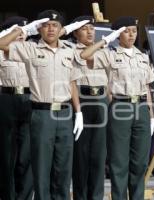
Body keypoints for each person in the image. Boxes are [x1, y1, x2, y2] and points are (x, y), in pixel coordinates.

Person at [0, 10, 84, 199]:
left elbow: (72, 82)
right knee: (41, 168)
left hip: (64, 113)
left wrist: (78, 112)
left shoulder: (69, 50)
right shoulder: (30, 49)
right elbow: (1, 44)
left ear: (61, 29)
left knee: (63, 167)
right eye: (46, 25)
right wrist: (22, 30)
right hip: (42, 113)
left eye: (55, 25)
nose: (51, 29)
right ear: (39, 29)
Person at [80, 16, 154, 200]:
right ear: (118, 33)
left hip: (141, 108)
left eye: (134, 31)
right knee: (119, 162)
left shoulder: (142, 56)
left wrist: (152, 114)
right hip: (120, 107)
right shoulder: (110, 53)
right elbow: (85, 56)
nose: (131, 34)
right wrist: (106, 39)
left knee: (140, 163)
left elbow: (147, 87)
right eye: (126, 31)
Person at [61, 15, 109, 200]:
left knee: (99, 155)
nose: (89, 32)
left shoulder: (104, 51)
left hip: (101, 100)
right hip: (80, 100)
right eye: (84, 28)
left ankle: (96, 196)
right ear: (75, 32)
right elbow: (58, 36)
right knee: (80, 155)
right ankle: (80, 196)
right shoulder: (68, 49)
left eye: (92, 28)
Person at [0, 16, 33, 200]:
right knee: (7, 154)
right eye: (17, 30)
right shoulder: (1, 50)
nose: (22, 34)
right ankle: (8, 195)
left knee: (27, 155)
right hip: (6, 99)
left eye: (24, 30)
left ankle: (25, 196)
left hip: (30, 99)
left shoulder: (35, 50)